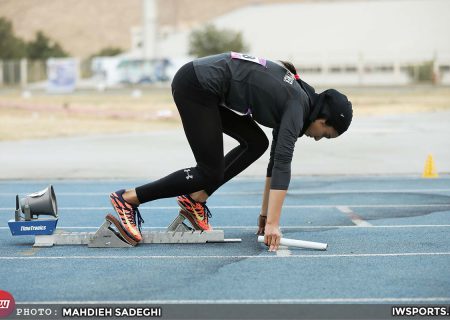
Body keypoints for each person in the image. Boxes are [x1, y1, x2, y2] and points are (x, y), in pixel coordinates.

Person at [109, 52, 353, 251]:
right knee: (209, 172)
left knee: (257, 143)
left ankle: (195, 199)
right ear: (322, 118)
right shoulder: (296, 107)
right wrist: (273, 224)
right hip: (195, 85)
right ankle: (128, 199)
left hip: (208, 88)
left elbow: (274, 163)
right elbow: (282, 166)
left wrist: (265, 216)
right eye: (326, 134)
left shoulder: (299, 102)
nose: (320, 138)